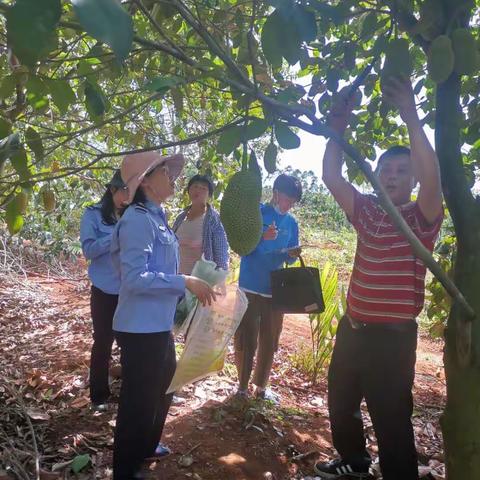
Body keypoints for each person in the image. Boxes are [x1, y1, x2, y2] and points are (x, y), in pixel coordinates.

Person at [314, 77, 443, 480]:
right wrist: (339, 122)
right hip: (354, 329)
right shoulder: (367, 210)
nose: (391, 176)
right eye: (385, 169)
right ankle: (353, 462)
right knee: (341, 402)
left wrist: (411, 117)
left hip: (393, 338)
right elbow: (331, 176)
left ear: (414, 179)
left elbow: (434, 178)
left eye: (402, 170)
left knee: (391, 418)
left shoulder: (421, 220)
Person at [110, 151, 216, 480]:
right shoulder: (138, 220)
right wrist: (183, 281)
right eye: (165, 172)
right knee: (138, 400)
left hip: (157, 323)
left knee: (165, 385)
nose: (172, 176)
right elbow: (135, 278)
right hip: (140, 327)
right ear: (145, 181)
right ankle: (125, 469)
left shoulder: (158, 216)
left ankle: (145, 446)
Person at [234, 174, 302, 403]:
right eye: (288, 198)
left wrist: (293, 254)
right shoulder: (257, 214)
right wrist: (262, 237)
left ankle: (261, 387)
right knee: (246, 338)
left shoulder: (291, 223)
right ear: (276, 193)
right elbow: (243, 247)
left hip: (275, 288)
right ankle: (241, 387)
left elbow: (290, 256)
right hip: (250, 285)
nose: (289, 204)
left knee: (270, 339)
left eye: (293, 202)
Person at [79, 170, 129, 411]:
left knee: (131, 342)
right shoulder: (93, 215)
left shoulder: (133, 215)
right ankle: (99, 396)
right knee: (103, 341)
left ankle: (132, 391)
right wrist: (116, 236)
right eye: (125, 190)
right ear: (113, 190)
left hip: (130, 290)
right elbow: (88, 250)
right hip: (104, 289)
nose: (129, 196)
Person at [172, 174, 229, 273]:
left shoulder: (213, 220)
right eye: (195, 186)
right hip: (176, 278)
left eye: (203, 188)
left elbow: (221, 253)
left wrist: (218, 276)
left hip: (200, 281)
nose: (198, 190)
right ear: (189, 190)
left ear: (209, 195)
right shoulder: (180, 218)